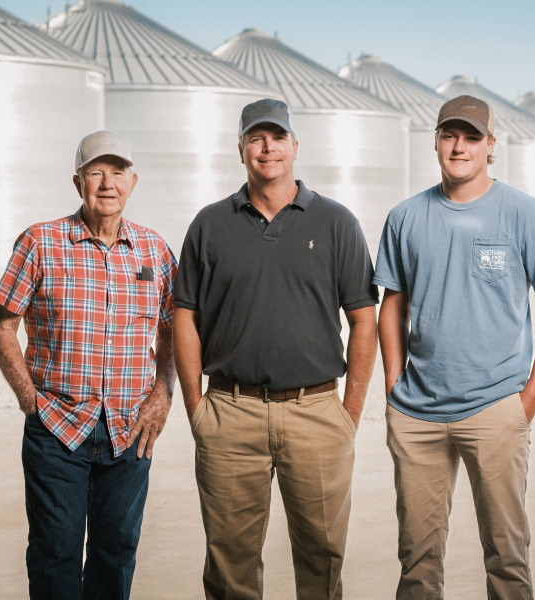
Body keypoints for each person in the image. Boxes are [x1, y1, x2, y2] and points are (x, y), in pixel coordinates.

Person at [173, 98, 379, 600]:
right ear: (240, 148)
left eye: (278, 137)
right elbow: (184, 317)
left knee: (322, 559)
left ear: (294, 146)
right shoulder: (208, 224)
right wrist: (198, 409)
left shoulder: (337, 223)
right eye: (257, 138)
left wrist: (348, 413)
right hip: (229, 412)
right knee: (229, 567)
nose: (268, 148)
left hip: (316, 414)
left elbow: (363, 320)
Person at [375, 95, 535, 599]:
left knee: (506, 556)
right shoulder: (405, 217)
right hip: (417, 414)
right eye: (449, 135)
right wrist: (395, 385)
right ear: (436, 143)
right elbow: (391, 306)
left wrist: (527, 400)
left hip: (495, 409)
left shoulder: (526, 214)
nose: (458, 146)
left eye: (470, 137)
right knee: (417, 561)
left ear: (491, 146)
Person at [0, 130, 177, 600]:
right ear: (78, 183)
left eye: (117, 172)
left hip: (130, 430)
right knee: (55, 554)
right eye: (96, 172)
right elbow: (0, 326)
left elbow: (173, 330)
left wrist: (163, 394)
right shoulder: (40, 242)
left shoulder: (154, 250)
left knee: (116, 552)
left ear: (133, 182)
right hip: (57, 428)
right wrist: (29, 398)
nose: (107, 183)